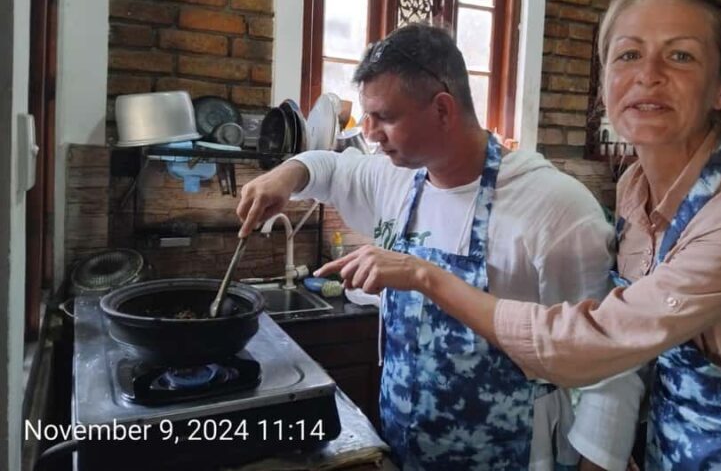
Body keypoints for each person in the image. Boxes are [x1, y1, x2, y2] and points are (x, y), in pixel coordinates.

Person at [318, 0, 721, 470]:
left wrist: (424, 275)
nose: (648, 75)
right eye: (628, 54)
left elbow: (596, 343)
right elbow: (641, 345)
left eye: (680, 55)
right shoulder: (636, 185)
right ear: (605, 80)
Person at [238, 23, 643, 470]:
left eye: (386, 117)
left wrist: (597, 465)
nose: (370, 133)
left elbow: (611, 362)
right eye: (368, 117)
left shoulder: (553, 207)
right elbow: (328, 168)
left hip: (513, 455)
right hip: (408, 448)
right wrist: (285, 175)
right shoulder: (396, 176)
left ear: (443, 110)